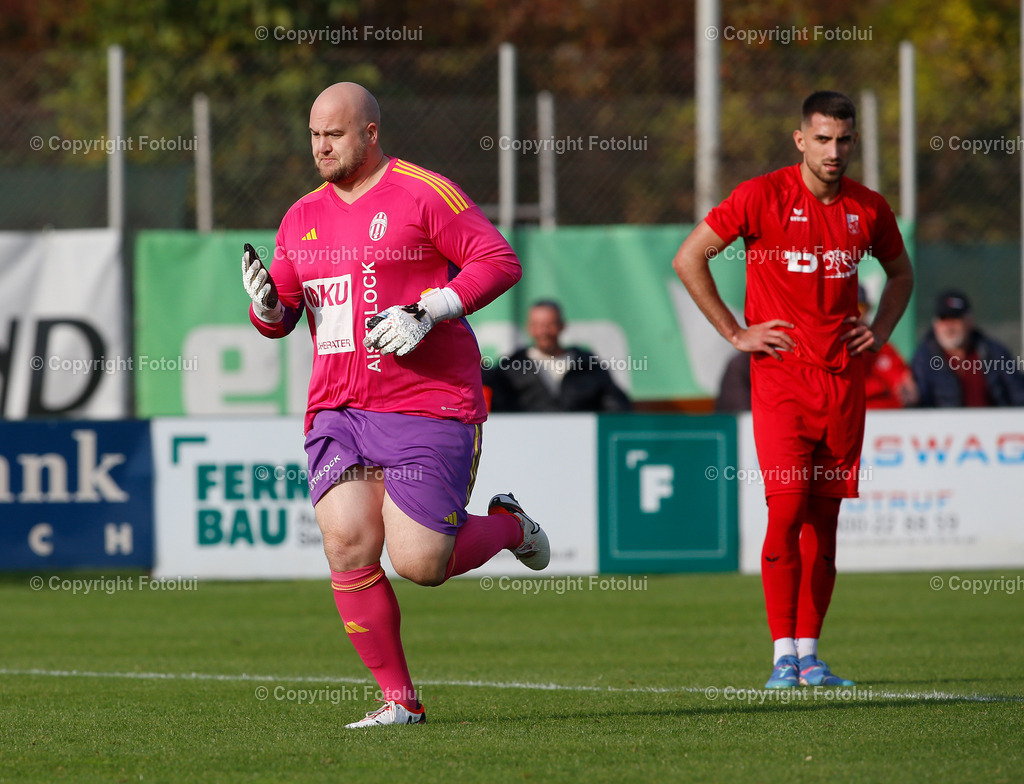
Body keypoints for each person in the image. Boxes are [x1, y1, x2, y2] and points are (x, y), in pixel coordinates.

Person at [241, 82, 550, 728]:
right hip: (338, 408)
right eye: (314, 136)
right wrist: (267, 310)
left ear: (370, 134)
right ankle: (399, 701)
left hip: (426, 404)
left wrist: (431, 307)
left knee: (419, 564)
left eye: (334, 134)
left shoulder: (422, 192)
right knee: (348, 541)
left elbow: (498, 261)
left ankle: (511, 526)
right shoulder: (300, 216)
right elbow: (288, 309)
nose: (321, 146)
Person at [672, 91, 914, 689]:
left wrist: (879, 332)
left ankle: (810, 655)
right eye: (824, 139)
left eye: (845, 140)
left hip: (843, 383)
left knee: (825, 523)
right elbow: (688, 259)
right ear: (800, 140)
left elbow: (902, 273)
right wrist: (735, 331)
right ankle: (782, 654)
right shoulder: (762, 196)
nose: (835, 152)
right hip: (781, 379)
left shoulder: (869, 209)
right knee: (785, 511)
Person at [484, 299, 632, 412]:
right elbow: (498, 406)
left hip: (582, 440)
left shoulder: (588, 364)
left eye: (550, 325)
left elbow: (615, 405)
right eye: (538, 325)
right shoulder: (511, 368)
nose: (544, 332)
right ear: (529, 328)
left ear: (562, 325)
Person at [911, 289, 1024, 407]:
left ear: (970, 321)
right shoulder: (923, 360)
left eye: (955, 319)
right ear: (936, 324)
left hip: (994, 424)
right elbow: (920, 404)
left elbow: (1018, 392)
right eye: (944, 319)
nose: (949, 327)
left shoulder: (993, 352)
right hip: (946, 425)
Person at [859, 285, 918, 409]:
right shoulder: (830, 351)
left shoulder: (883, 349)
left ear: (868, 309)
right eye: (848, 309)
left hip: (886, 420)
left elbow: (905, 384)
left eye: (860, 307)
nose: (856, 315)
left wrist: (907, 391)